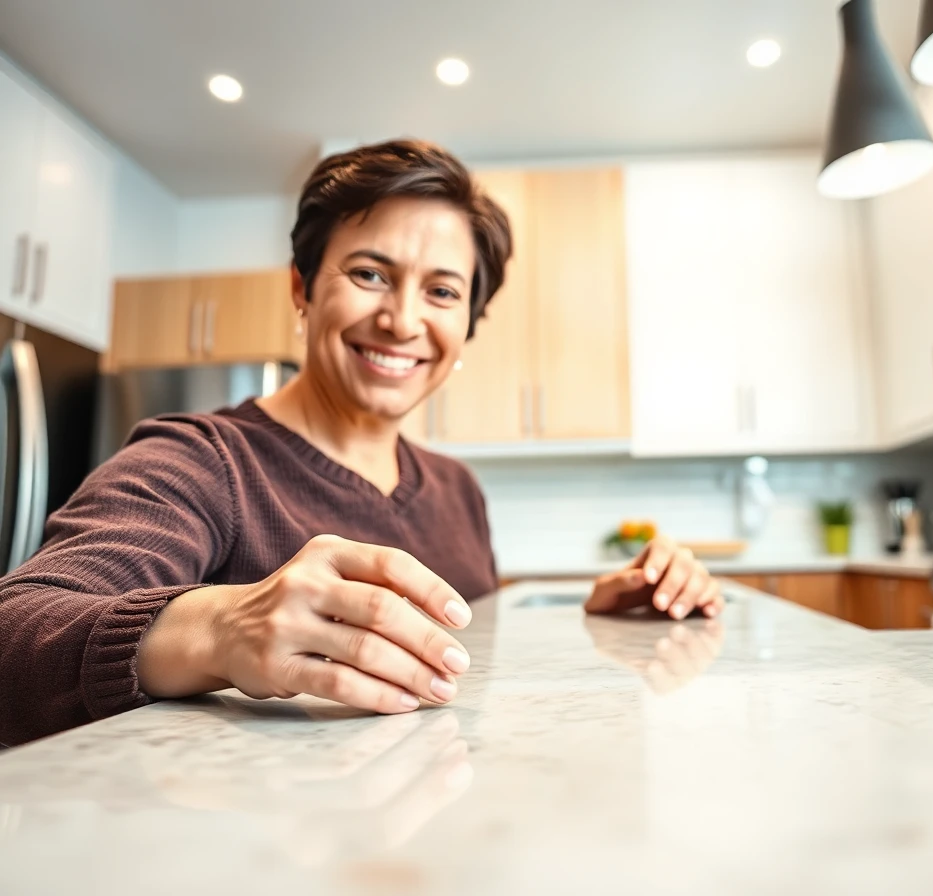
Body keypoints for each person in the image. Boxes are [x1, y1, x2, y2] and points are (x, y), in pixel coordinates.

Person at [0, 140, 724, 747]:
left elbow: (459, 651)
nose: (403, 319)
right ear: (303, 288)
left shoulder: (455, 488)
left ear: (466, 329)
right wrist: (222, 628)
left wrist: (595, 617)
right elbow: (17, 631)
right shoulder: (202, 461)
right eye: (370, 274)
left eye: (442, 292)